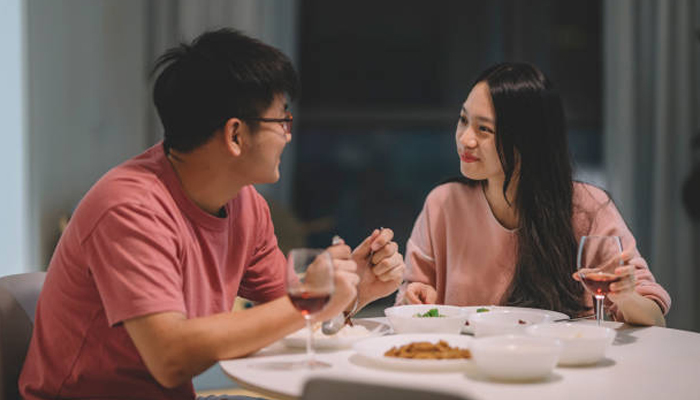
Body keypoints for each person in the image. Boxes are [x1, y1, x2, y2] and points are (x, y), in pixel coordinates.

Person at [20, 28, 405, 400]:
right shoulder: (130, 209)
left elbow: (286, 315)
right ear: (235, 135)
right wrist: (312, 299)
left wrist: (355, 291)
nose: (288, 135)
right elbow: (169, 358)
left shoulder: (246, 205)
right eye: (281, 121)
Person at [396, 62, 670, 326]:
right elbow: (409, 302)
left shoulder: (587, 207)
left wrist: (626, 296)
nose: (465, 139)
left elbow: (655, 317)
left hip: (560, 368)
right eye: (463, 120)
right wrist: (416, 297)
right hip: (465, 365)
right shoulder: (443, 203)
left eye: (484, 129)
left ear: (527, 140)